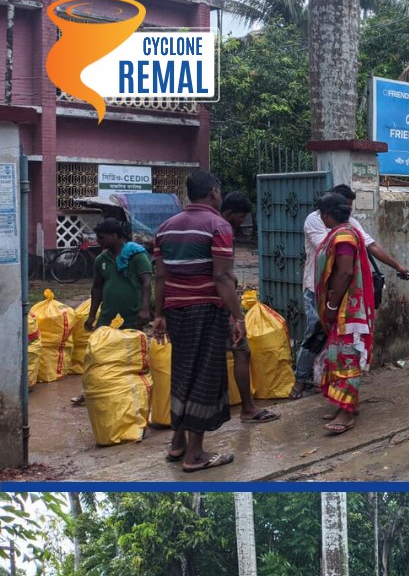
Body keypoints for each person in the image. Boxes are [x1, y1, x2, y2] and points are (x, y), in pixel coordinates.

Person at [152, 170, 245, 472]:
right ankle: (195, 455)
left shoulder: (165, 228)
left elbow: (161, 276)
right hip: (205, 310)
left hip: (176, 311)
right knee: (205, 377)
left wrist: (159, 313)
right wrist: (238, 316)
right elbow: (222, 276)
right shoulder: (218, 226)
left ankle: (177, 443)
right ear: (214, 192)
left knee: (183, 374)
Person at [295, 182, 409, 399]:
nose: (348, 212)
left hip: (341, 293)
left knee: (340, 342)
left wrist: (398, 266)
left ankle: (338, 388)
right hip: (318, 289)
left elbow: (371, 247)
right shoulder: (318, 221)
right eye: (345, 207)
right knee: (315, 335)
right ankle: (302, 380)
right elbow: (333, 253)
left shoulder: (347, 227)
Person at [70, 218, 153, 406]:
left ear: (115, 236)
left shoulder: (136, 256)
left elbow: (146, 283)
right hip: (107, 317)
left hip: (132, 316)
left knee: (130, 357)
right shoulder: (101, 260)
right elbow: (97, 289)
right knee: (98, 356)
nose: (98, 241)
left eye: (101, 237)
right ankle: (90, 390)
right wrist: (92, 315)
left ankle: (132, 394)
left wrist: (145, 309)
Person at [314, 192, 376, 435]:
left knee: (346, 357)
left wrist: (331, 305)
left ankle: (347, 413)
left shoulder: (343, 237)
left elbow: (345, 273)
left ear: (327, 215)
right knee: (337, 356)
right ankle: (345, 402)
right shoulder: (344, 234)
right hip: (344, 307)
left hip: (348, 309)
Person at [218, 191, 280, 426]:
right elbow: (223, 276)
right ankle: (247, 408)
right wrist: (238, 316)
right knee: (241, 351)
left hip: (200, 304)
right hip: (221, 303)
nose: (242, 222)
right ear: (230, 212)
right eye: (241, 217)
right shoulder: (221, 230)